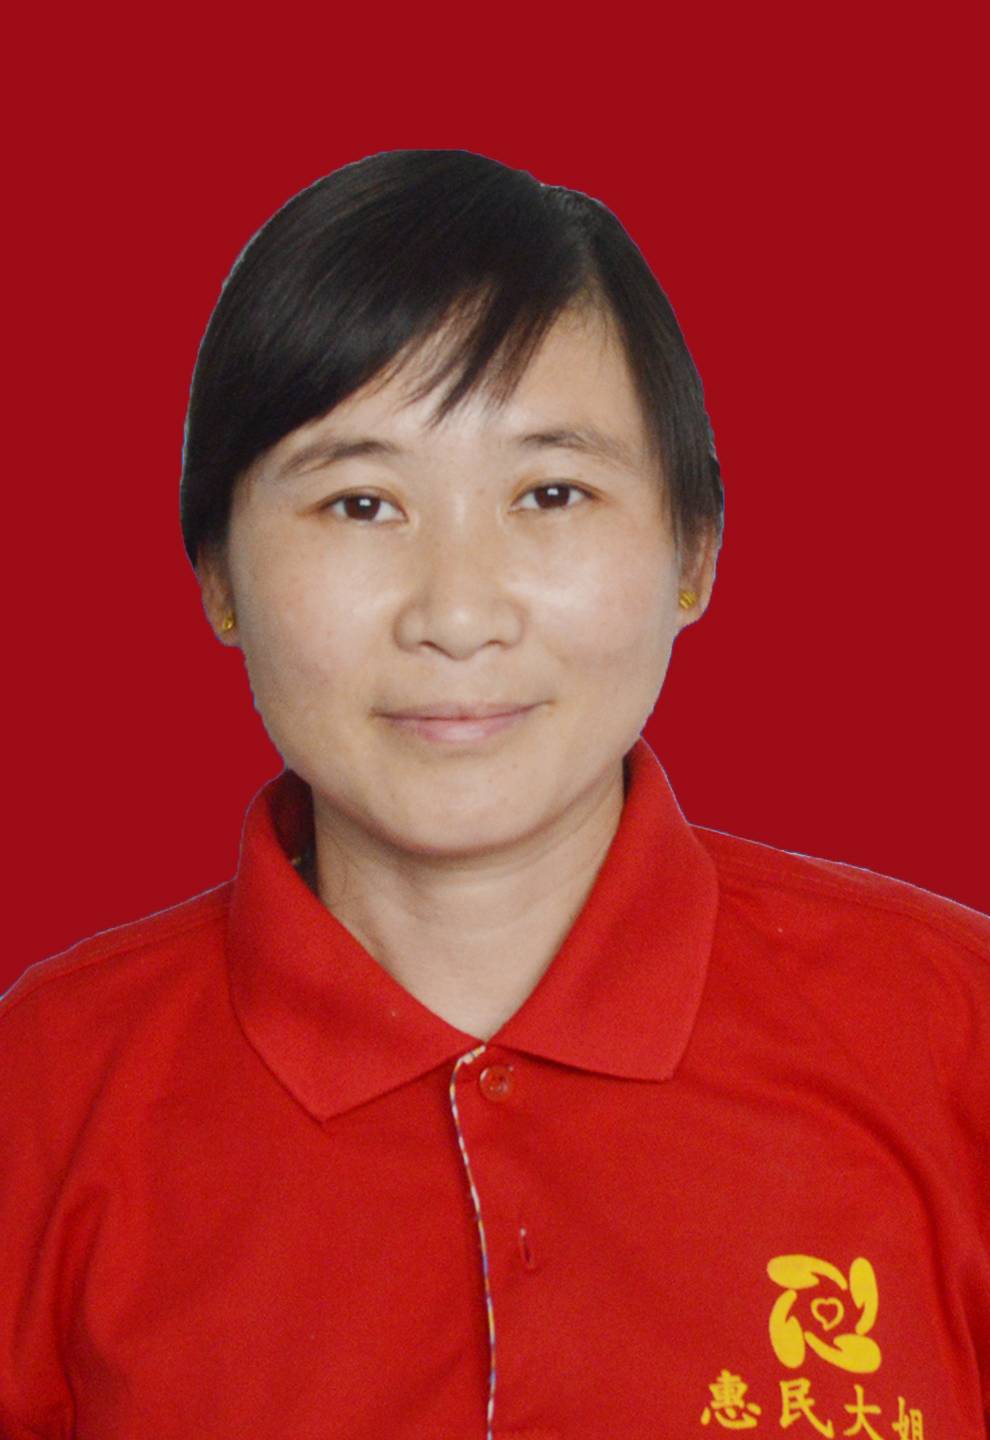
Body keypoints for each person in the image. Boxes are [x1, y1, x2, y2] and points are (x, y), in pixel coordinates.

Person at [1, 149, 986, 1440]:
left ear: (694, 549)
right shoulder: (45, 1091)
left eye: (550, 493)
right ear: (217, 575)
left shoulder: (950, 1036)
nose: (457, 613)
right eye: (360, 503)